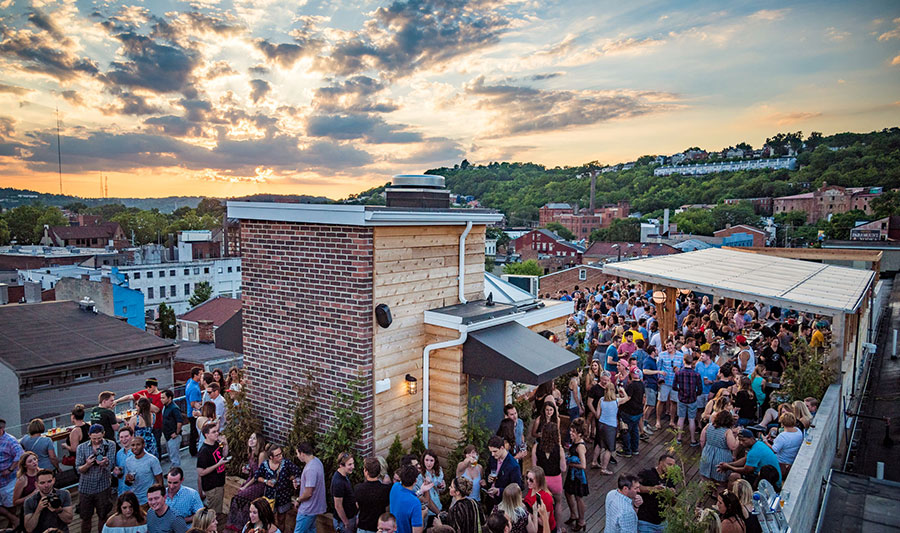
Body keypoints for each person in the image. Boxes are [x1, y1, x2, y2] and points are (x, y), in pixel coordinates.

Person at [76, 424, 116, 533]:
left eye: (99, 438)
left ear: (103, 434)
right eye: (94, 439)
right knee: (85, 518)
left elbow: (111, 466)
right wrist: (87, 465)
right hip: (85, 488)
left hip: (103, 486)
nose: (97, 441)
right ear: (89, 435)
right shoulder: (81, 447)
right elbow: (78, 469)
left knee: (103, 516)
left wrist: (105, 463)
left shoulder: (110, 445)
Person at [224, 434, 268, 532]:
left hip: (259, 483)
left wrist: (246, 486)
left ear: (259, 441)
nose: (251, 440)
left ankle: (242, 526)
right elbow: (252, 470)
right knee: (236, 498)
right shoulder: (251, 452)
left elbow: (258, 474)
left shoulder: (262, 454)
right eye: (250, 438)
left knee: (239, 498)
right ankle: (235, 525)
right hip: (251, 479)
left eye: (254, 438)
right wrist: (246, 469)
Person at [255, 444, 300, 533]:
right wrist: (266, 481)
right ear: (271, 457)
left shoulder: (286, 463)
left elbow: (297, 472)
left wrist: (290, 478)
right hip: (270, 496)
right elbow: (257, 476)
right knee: (268, 519)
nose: (281, 456)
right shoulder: (265, 465)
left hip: (284, 496)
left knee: (281, 519)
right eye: (277, 455)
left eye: (281, 454)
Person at [717, 430, 781, 489]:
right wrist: (729, 464)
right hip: (766, 476)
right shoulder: (759, 444)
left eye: (744, 440)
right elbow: (745, 459)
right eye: (740, 440)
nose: (741, 443)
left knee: (734, 476)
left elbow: (746, 470)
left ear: (752, 438)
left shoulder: (754, 452)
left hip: (771, 482)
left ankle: (731, 497)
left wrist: (728, 467)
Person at [530, 422, 564, 524]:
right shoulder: (559, 448)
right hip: (555, 479)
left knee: (539, 503)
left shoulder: (536, 447)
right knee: (558, 503)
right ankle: (557, 528)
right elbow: (563, 468)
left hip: (541, 479)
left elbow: (534, 467)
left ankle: (542, 526)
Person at [117, 379, 164, 452]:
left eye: (149, 387)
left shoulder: (160, 396)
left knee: (156, 445)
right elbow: (130, 396)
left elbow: (157, 410)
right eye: (146, 387)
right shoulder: (144, 392)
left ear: (154, 386)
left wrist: (146, 401)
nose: (147, 389)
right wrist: (116, 401)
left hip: (155, 426)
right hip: (145, 427)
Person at [636, 454, 676, 533]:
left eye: (673, 466)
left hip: (662, 522)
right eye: (669, 464)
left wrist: (672, 495)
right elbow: (637, 487)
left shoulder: (670, 479)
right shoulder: (647, 473)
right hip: (646, 521)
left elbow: (673, 503)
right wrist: (653, 489)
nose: (671, 468)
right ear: (660, 463)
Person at [196, 423, 228, 516]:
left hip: (219, 483)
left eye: (217, 431)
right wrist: (217, 465)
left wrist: (226, 444)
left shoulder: (217, 444)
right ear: (206, 435)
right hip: (212, 486)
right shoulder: (204, 451)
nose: (217, 433)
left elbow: (224, 455)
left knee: (218, 509)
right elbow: (201, 472)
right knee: (214, 513)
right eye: (214, 432)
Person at [293, 443, 325, 533]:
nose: (297, 456)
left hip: (307, 509)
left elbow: (308, 493)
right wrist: (300, 482)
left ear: (302, 453)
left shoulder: (311, 469)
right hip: (314, 508)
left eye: (297, 453)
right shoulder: (317, 461)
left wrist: (298, 500)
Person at [563, 419, 589, 532]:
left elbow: (583, 465)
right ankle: (574, 515)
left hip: (578, 475)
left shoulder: (580, 446)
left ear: (579, 433)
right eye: (571, 430)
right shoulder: (575, 442)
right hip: (572, 473)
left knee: (579, 497)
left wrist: (569, 462)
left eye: (573, 431)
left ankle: (582, 521)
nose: (570, 433)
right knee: (568, 493)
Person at [673, 354, 703, 447]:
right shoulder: (696, 374)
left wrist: (680, 391)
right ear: (692, 362)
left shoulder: (678, 373)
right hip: (692, 399)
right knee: (691, 420)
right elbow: (700, 389)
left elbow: (674, 386)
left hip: (682, 398)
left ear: (684, 361)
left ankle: (679, 438)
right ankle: (693, 440)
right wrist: (695, 394)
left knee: (681, 418)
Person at [700, 411, 739, 483]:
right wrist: (737, 438)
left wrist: (704, 450)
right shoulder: (727, 431)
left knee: (705, 481)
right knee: (720, 483)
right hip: (721, 456)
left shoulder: (708, 426)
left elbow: (702, 440)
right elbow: (732, 446)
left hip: (707, 453)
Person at [354, 457, 391, 533]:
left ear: (366, 471)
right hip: (378, 528)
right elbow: (387, 509)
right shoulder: (385, 489)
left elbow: (356, 506)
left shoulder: (358, 488)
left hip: (363, 527)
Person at [0, 418, 24, 529]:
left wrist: (10, 469)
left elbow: (20, 455)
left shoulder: (10, 440)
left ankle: (13, 524)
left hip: (8, 479)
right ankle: (14, 520)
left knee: (10, 503)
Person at [486, 436, 522, 509]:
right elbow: (487, 471)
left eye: (495, 451)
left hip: (504, 503)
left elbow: (516, 488)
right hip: (490, 500)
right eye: (491, 452)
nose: (492, 454)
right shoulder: (492, 458)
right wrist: (488, 478)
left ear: (502, 448)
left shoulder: (513, 466)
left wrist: (498, 491)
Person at [126, 436, 163, 506]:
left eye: (138, 444)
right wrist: (128, 480)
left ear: (143, 445)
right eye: (133, 445)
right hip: (136, 499)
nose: (135, 447)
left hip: (149, 499)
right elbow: (129, 483)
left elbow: (160, 481)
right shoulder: (128, 461)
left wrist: (159, 498)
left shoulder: (152, 460)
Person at [619, 367, 645, 457]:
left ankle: (627, 450)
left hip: (629, 411)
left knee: (626, 431)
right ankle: (635, 449)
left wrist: (621, 394)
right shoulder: (642, 384)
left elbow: (628, 398)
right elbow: (644, 398)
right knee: (635, 430)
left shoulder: (631, 385)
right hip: (638, 411)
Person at [388, 464, 423, 533]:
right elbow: (417, 531)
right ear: (415, 481)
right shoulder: (415, 503)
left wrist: (420, 491)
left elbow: (406, 496)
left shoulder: (395, 487)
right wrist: (423, 514)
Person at [656, 341, 682, 429]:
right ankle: (658, 420)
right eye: (667, 346)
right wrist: (659, 379)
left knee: (674, 402)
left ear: (674, 345)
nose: (668, 347)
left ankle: (671, 421)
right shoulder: (662, 355)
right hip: (665, 382)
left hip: (676, 382)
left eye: (670, 345)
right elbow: (658, 367)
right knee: (661, 400)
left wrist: (679, 371)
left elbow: (683, 367)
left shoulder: (680, 355)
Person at [331, 452, 358, 533]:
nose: (353, 467)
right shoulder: (338, 483)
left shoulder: (344, 475)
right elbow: (338, 505)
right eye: (349, 464)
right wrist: (346, 522)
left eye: (353, 464)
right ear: (341, 465)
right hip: (343, 523)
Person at [523, 467, 555, 533]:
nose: (528, 481)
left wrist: (528, 514)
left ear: (539, 481)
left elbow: (544, 522)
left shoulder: (546, 497)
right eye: (527, 478)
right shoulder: (532, 488)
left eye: (531, 480)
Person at [161, 391, 184, 467]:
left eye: (163, 398)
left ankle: (176, 474)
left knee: (175, 457)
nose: (161, 400)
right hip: (168, 436)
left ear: (169, 398)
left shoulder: (174, 408)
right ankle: (173, 470)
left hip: (173, 436)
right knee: (171, 455)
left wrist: (176, 433)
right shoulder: (165, 407)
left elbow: (179, 421)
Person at [14, 451, 40, 517]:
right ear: (25, 465)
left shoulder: (42, 472)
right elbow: (15, 502)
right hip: (30, 509)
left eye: (35, 459)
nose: (34, 462)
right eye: (30, 461)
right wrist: (32, 494)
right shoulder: (22, 480)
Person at [186, 368, 203, 457]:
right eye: (200, 374)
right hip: (194, 414)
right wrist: (201, 404)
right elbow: (193, 403)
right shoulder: (194, 388)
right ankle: (193, 451)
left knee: (193, 432)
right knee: (194, 433)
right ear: (195, 375)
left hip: (190, 412)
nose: (201, 376)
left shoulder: (190, 382)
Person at [115, 428, 135, 496]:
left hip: (135, 493)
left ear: (132, 436)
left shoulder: (138, 453)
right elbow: (118, 474)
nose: (124, 439)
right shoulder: (119, 453)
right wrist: (117, 472)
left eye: (126, 436)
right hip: (122, 492)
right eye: (121, 437)